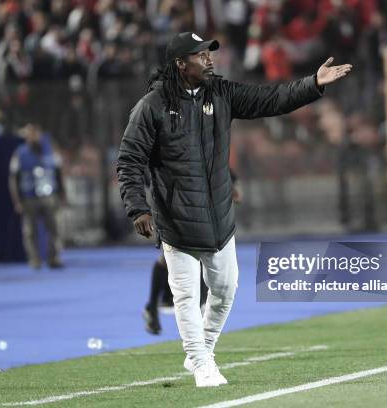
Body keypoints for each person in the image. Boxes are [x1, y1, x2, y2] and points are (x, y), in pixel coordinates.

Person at [117, 31, 351, 387]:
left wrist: (312, 84)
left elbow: (270, 99)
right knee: (186, 296)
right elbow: (129, 160)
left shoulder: (221, 93)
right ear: (181, 64)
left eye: (210, 54)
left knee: (225, 291)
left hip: (220, 218)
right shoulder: (152, 106)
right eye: (201, 55)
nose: (210, 59)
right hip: (176, 219)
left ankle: (203, 351)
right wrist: (138, 208)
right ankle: (200, 363)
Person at [143, 169, 242, 335]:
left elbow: (208, 156)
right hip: (172, 198)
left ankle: (188, 304)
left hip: (198, 198)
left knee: (199, 250)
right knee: (174, 253)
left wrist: (228, 182)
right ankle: (156, 306)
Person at [9, 123, 66, 269]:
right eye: (29, 134)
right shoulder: (20, 153)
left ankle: (53, 258)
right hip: (29, 197)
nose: (33, 136)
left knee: (54, 228)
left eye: (35, 133)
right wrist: (17, 200)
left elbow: (59, 172)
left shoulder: (51, 150)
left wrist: (62, 194)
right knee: (30, 231)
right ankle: (35, 260)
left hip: (49, 196)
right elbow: (13, 178)